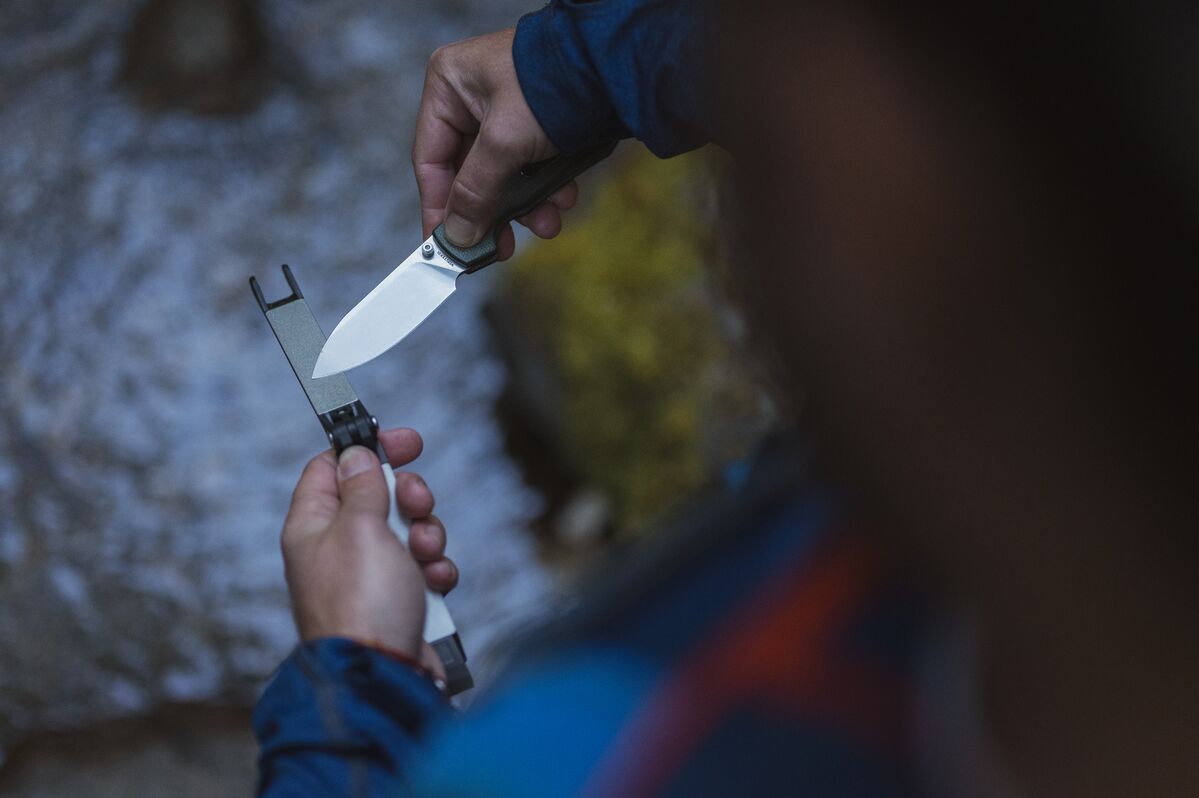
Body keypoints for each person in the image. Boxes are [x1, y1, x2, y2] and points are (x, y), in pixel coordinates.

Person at [254, 1, 1199, 796]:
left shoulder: (625, 746)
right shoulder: (1002, 508)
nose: (727, 245)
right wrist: (587, 60)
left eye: (769, 171)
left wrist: (348, 695)